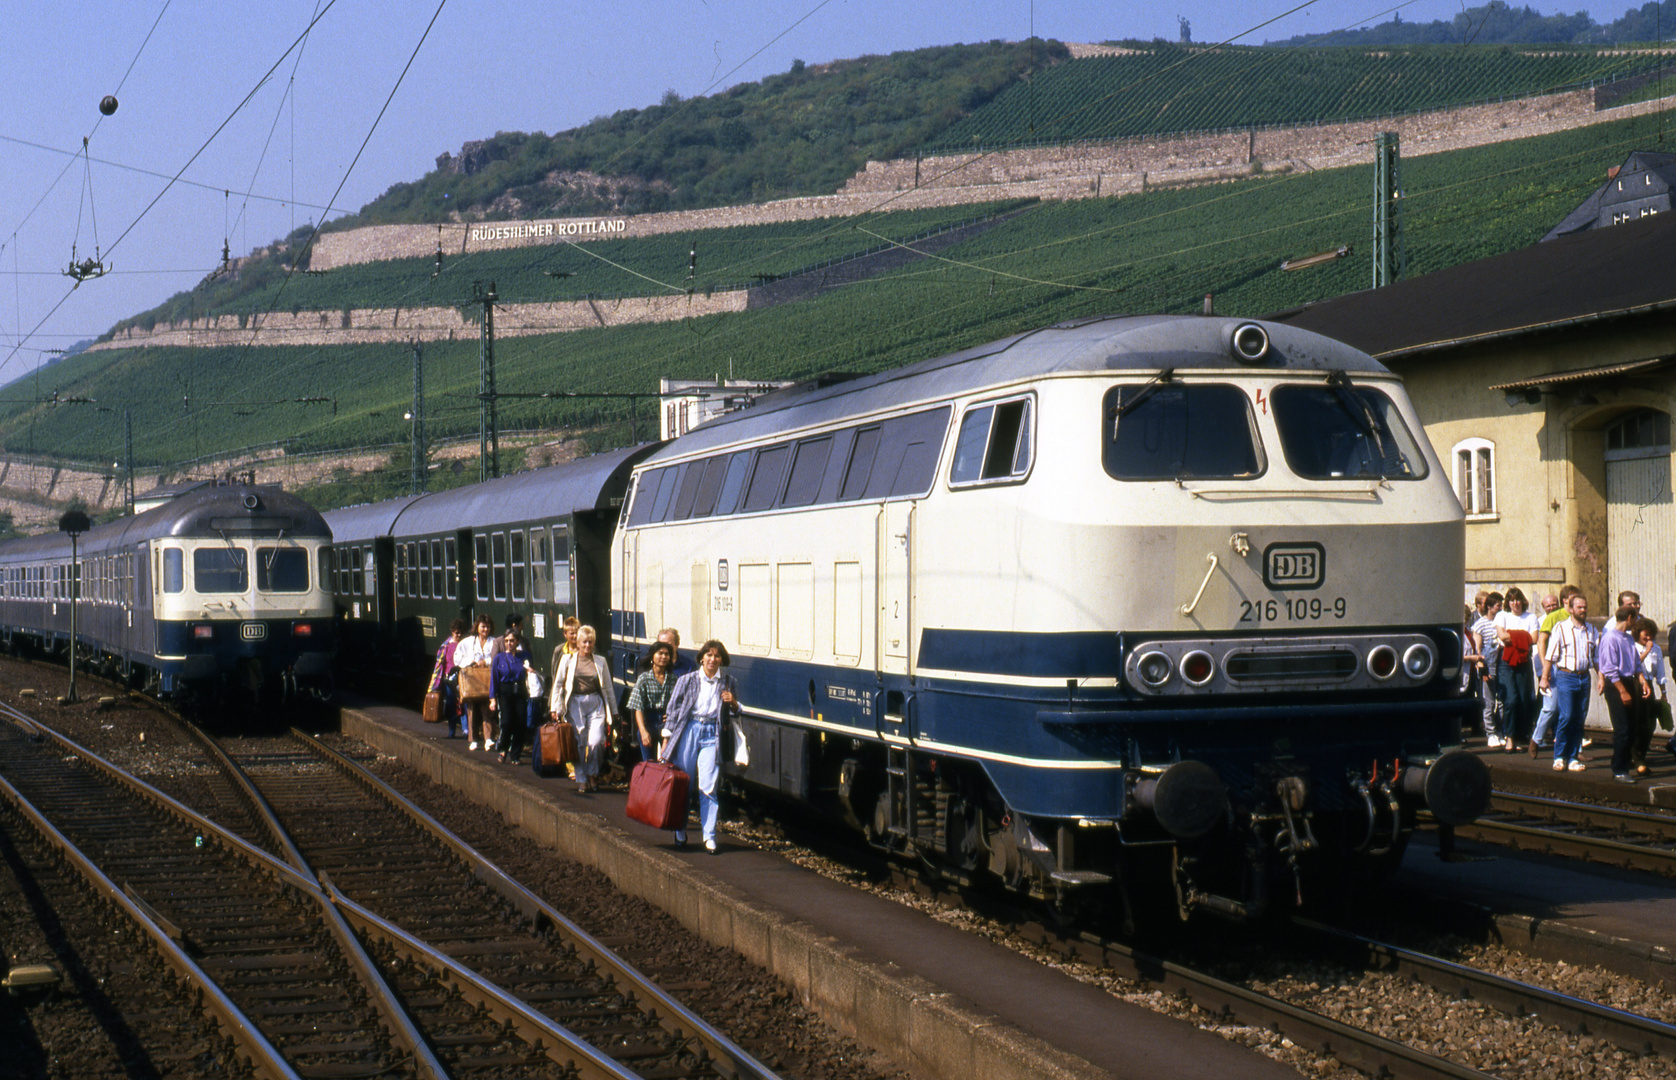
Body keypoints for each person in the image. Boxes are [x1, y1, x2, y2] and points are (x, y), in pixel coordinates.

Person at [660, 639, 741, 854]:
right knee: (684, 783)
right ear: (701, 658)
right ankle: (679, 830)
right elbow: (674, 708)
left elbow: (736, 712)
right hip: (689, 730)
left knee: (709, 785)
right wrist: (666, 738)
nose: (713, 659)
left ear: (721, 659)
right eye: (709, 655)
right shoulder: (687, 680)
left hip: (712, 734)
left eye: (717, 656)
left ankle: (709, 836)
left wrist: (732, 702)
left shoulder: (729, 682)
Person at [551, 624, 618, 793]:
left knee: (596, 742)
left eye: (590, 642)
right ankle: (582, 779)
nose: (588, 646)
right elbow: (558, 684)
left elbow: (608, 688)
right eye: (584, 642)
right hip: (575, 703)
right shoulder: (567, 660)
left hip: (595, 702)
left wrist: (615, 711)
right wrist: (555, 708)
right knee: (579, 742)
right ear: (578, 643)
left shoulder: (600, 661)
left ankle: (593, 775)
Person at [1539, 592, 1598, 773]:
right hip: (1566, 676)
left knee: (1579, 717)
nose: (1583, 610)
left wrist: (1601, 678)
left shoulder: (1592, 630)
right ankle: (1559, 756)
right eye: (1579, 607)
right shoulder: (1561, 628)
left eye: (1585, 607)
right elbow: (1551, 655)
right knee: (1566, 716)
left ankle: (1573, 757)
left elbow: (1596, 658)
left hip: (1584, 677)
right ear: (1571, 609)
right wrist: (1544, 677)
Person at [1597, 604, 1644, 783]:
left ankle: (1624, 763)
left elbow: (1635, 663)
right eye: (1636, 618)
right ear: (1630, 618)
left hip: (1628, 681)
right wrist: (1622, 691)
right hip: (1616, 685)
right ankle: (1618, 769)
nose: (1637, 622)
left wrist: (1642, 681)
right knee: (1622, 728)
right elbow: (1608, 668)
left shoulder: (1629, 639)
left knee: (1632, 728)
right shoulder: (1610, 638)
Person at [1528, 586, 1576, 758]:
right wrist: (1544, 670)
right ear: (1565, 600)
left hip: (1571, 668)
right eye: (1573, 598)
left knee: (1572, 710)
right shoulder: (1553, 618)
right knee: (1550, 707)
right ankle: (1536, 739)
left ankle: (1574, 749)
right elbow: (1541, 643)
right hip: (1553, 667)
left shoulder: (1578, 617)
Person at [1493, 587, 1540, 751]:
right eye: (1512, 600)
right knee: (1511, 699)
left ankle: (1522, 733)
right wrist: (1522, 636)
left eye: (1518, 599)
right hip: (1506, 661)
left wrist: (1512, 635)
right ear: (1508, 603)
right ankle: (1510, 736)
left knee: (1525, 699)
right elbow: (1502, 636)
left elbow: (1534, 638)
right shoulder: (1502, 616)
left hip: (1524, 661)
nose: (1515, 603)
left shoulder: (1531, 617)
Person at [453, 614, 499, 750]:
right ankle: (473, 739)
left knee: (487, 709)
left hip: (486, 680)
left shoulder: (494, 642)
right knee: (472, 710)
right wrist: (470, 663)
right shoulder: (468, 642)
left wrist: (486, 662)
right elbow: (457, 657)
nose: (486, 629)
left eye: (488, 627)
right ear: (477, 627)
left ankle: (488, 738)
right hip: (472, 681)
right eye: (483, 627)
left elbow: (496, 657)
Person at [627, 640, 676, 762]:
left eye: (666, 654)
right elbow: (638, 707)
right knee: (649, 762)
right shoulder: (644, 679)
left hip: (667, 722)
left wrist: (671, 716)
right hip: (649, 721)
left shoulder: (673, 679)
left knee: (669, 760)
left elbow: (678, 704)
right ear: (652, 656)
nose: (663, 657)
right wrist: (643, 731)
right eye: (660, 653)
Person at [492, 629, 532, 765]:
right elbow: (494, 679)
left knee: (520, 722)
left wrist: (530, 671)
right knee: (506, 721)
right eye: (507, 641)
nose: (509, 643)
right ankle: (503, 748)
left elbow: (531, 671)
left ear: (517, 641)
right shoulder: (499, 658)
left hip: (520, 690)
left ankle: (515, 755)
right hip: (505, 691)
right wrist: (492, 698)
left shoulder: (524, 656)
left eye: (512, 641)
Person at [1471, 592, 1504, 746]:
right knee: (1489, 702)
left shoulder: (1503, 621)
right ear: (1490, 607)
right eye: (1498, 605)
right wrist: (1482, 668)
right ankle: (1490, 733)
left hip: (1502, 664)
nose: (1501, 608)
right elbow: (1477, 649)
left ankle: (1500, 730)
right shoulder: (1480, 624)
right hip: (1488, 665)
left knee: (1503, 701)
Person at [1634, 617, 1666, 775]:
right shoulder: (1632, 646)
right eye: (1645, 635)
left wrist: (1664, 692)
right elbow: (1632, 664)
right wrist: (1646, 651)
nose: (1648, 638)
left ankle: (1641, 755)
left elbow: (1660, 671)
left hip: (1649, 684)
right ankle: (1637, 759)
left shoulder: (1657, 649)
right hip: (1634, 684)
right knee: (1637, 722)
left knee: (1650, 724)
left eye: (1651, 635)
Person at [429, 618, 468, 739]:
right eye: (457, 633)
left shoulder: (465, 645)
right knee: (451, 704)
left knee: (464, 703)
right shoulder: (446, 646)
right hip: (449, 680)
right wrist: (435, 683)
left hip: (463, 678)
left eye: (461, 633)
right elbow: (440, 664)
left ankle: (466, 729)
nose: (459, 635)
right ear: (452, 632)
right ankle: (452, 731)